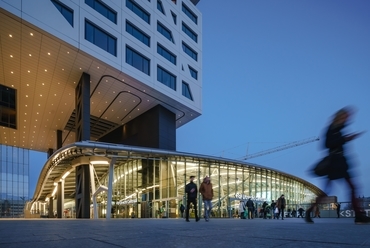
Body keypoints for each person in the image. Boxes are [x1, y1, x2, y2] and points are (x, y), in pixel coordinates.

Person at [306, 107, 370, 224]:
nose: (346, 119)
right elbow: (327, 144)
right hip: (335, 163)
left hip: (340, 162)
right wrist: (344, 139)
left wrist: (345, 138)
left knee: (350, 188)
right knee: (331, 190)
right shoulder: (331, 129)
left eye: (347, 117)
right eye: (344, 117)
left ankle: (359, 215)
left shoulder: (338, 129)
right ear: (338, 117)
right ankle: (309, 210)